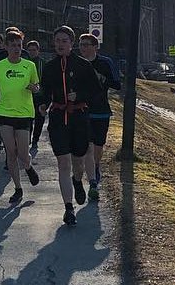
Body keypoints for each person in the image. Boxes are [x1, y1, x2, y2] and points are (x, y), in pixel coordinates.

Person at [38, 25, 103, 227]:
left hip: (79, 119)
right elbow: (45, 91)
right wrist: (42, 103)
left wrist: (80, 95)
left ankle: (78, 181)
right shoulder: (49, 67)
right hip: (58, 119)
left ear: (71, 43)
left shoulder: (83, 65)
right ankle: (68, 208)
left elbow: (96, 91)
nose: (60, 44)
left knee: (78, 162)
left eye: (64, 41)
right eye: (57, 41)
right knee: (63, 163)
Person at [0, 29, 40, 204]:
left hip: (24, 114)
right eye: (13, 45)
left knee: (23, 154)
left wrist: (35, 88)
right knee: (11, 152)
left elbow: (37, 85)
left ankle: (28, 167)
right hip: (4, 113)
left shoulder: (29, 65)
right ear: (6, 47)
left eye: (19, 45)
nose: (17, 48)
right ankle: (18, 188)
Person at [77, 33, 121, 201]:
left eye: (87, 45)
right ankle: (90, 177)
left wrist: (102, 78)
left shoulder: (105, 63)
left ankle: (95, 167)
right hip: (82, 110)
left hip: (101, 109)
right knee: (87, 145)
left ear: (95, 47)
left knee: (98, 144)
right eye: (81, 45)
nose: (84, 48)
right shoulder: (77, 63)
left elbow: (116, 84)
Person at [25, 40, 47, 150]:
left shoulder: (43, 63)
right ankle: (26, 139)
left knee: (39, 120)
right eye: (30, 50)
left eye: (34, 50)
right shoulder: (23, 63)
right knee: (27, 120)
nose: (32, 52)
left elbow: (47, 82)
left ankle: (35, 140)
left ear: (38, 51)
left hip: (40, 97)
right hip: (26, 97)